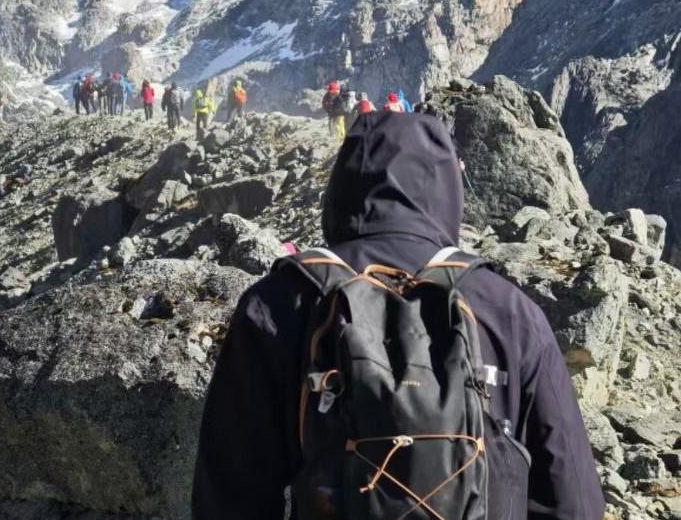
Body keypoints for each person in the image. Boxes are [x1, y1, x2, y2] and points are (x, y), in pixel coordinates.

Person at [192, 112, 605, 520]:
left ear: (340, 190)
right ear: (448, 191)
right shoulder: (510, 311)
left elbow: (229, 494)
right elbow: (574, 501)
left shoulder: (276, 305)